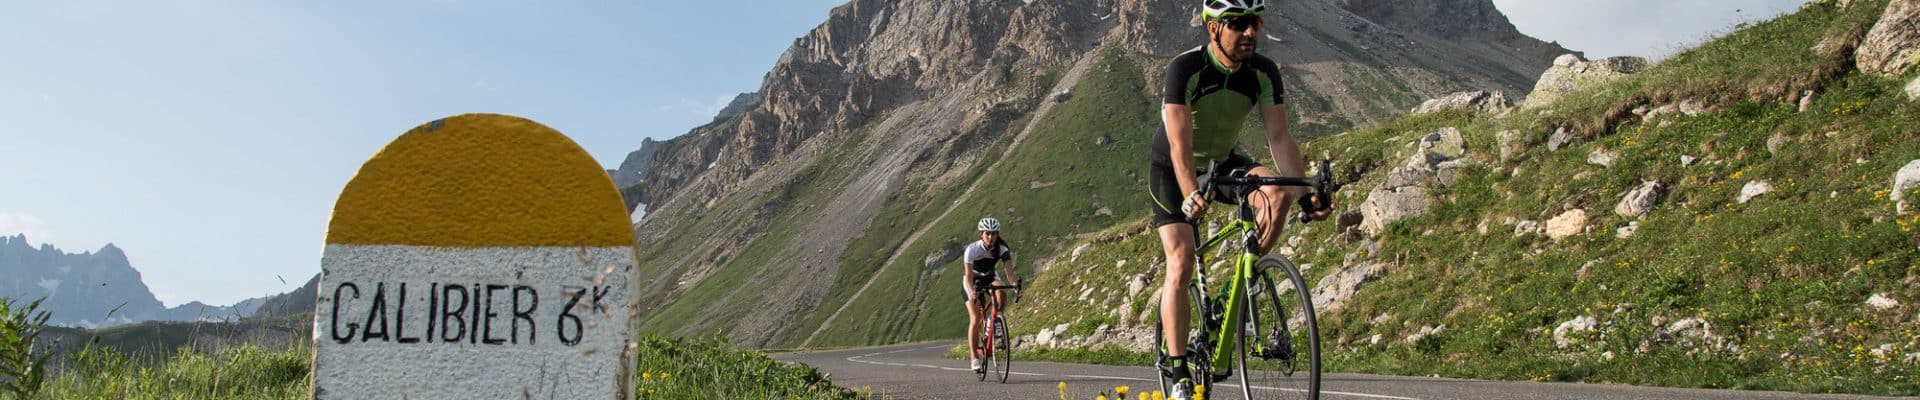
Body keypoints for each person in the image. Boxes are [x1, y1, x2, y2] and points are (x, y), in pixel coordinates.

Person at [1145, 0, 1333, 398]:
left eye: (1256, 23)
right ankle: (1179, 373)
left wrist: (1303, 196)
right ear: (1214, 29)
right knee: (1180, 260)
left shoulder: (1263, 72)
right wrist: (1190, 193)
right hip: (1173, 169)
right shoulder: (1186, 69)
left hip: (1222, 163)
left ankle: (1239, 290)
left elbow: (1280, 139)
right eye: (1239, 24)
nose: (1250, 32)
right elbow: (1179, 144)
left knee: (1275, 190)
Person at [962, 217, 1020, 372]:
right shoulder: (972, 250)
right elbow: (967, 277)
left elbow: (1009, 272)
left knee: (1001, 293)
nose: (991, 237)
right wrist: (972, 292)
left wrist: (1015, 286)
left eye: (994, 233)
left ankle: (994, 321)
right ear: (981, 234)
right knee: (974, 318)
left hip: (990, 276)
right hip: (973, 281)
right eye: (987, 233)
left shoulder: (1002, 248)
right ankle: (974, 357)